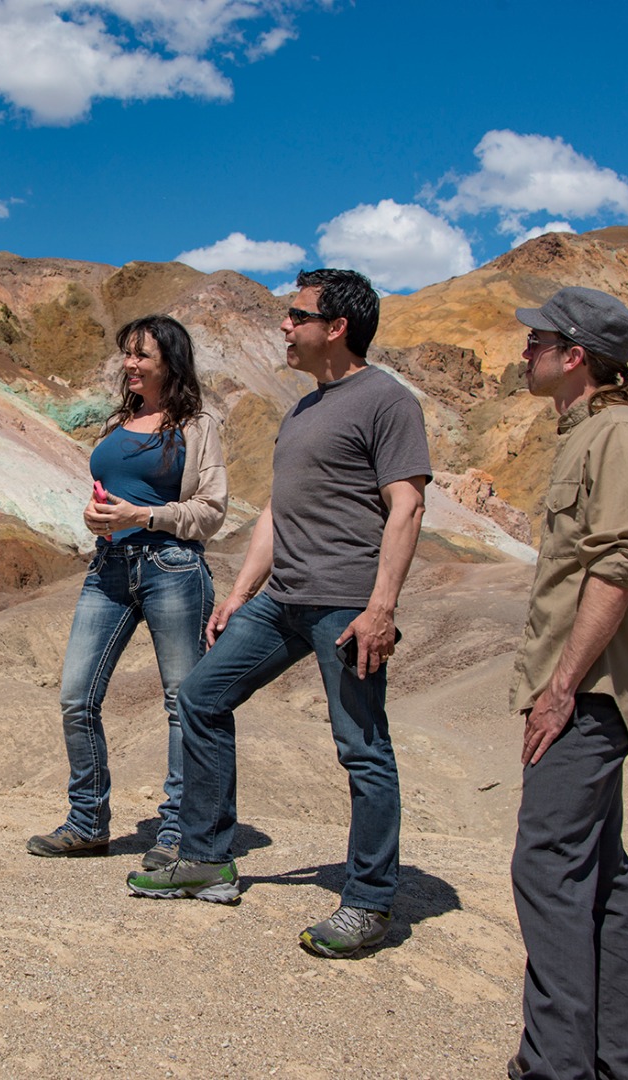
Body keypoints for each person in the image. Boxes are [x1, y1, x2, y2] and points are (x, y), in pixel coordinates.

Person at [126, 268, 431, 959]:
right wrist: (239, 594)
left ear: (337, 327)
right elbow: (275, 511)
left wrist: (381, 607)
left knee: (361, 747)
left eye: (295, 316)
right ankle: (206, 857)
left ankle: (368, 900)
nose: (284, 327)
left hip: (346, 603)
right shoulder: (301, 409)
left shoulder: (386, 401)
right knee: (201, 698)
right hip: (281, 600)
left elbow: (407, 505)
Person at [506, 288, 628, 1080]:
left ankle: (556, 1068)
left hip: (587, 695)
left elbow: (617, 568)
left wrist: (561, 687)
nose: (523, 353)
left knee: (546, 867)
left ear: (574, 355)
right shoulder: (589, 434)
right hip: (583, 692)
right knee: (597, 874)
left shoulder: (620, 437)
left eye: (535, 341)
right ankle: (617, 1059)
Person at [26, 315, 228, 868]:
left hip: (174, 567)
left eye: (142, 355)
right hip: (109, 566)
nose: (130, 364)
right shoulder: (122, 419)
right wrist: (98, 517)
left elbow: (211, 512)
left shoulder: (198, 423)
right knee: (76, 695)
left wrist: (145, 515)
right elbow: (114, 493)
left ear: (171, 361)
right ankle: (88, 821)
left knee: (180, 703)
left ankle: (179, 832)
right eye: (127, 354)